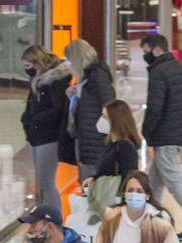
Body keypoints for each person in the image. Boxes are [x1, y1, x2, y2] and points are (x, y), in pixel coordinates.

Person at [20, 46, 73, 210]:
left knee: (47, 181)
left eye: (28, 66)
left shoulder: (55, 81)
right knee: (43, 181)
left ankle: (55, 219)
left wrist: (36, 119)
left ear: (37, 63)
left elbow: (58, 109)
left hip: (48, 137)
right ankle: (48, 213)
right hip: (36, 135)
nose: (26, 70)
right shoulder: (37, 79)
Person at [63, 40, 115, 183]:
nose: (68, 65)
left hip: (95, 141)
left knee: (91, 184)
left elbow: (110, 106)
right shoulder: (86, 78)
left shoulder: (97, 76)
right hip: (86, 139)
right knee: (87, 182)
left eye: (69, 60)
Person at [141, 33, 182, 211]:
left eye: (146, 51)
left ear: (157, 50)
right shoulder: (178, 67)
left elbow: (154, 109)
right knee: (153, 184)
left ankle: (150, 217)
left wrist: (146, 133)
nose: (145, 56)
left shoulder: (159, 72)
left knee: (175, 184)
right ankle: (150, 217)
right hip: (174, 135)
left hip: (164, 138)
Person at [84, 99, 141, 196]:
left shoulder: (125, 148)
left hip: (113, 201)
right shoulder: (111, 143)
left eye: (105, 117)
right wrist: (94, 178)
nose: (101, 120)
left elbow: (127, 180)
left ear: (116, 120)